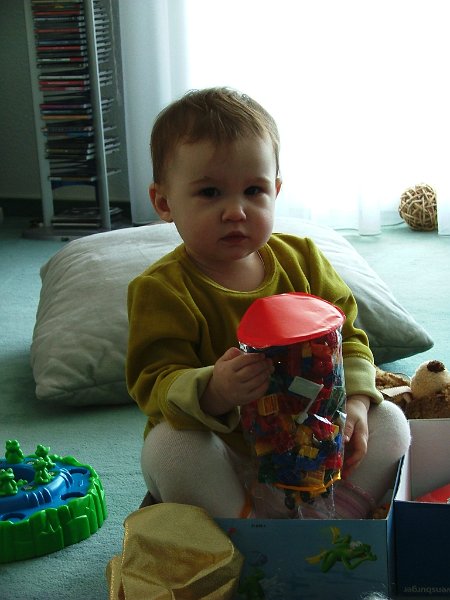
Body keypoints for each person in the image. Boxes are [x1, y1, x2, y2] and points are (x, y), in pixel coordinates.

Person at [126, 87, 410, 519]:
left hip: (316, 448)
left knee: (392, 421)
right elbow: (153, 384)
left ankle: (336, 523)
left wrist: (355, 403)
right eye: (210, 193)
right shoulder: (161, 290)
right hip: (231, 460)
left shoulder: (304, 260)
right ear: (165, 203)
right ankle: (251, 532)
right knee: (169, 448)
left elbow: (350, 338)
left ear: (275, 191)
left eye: (253, 190)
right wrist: (215, 389)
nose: (235, 211)